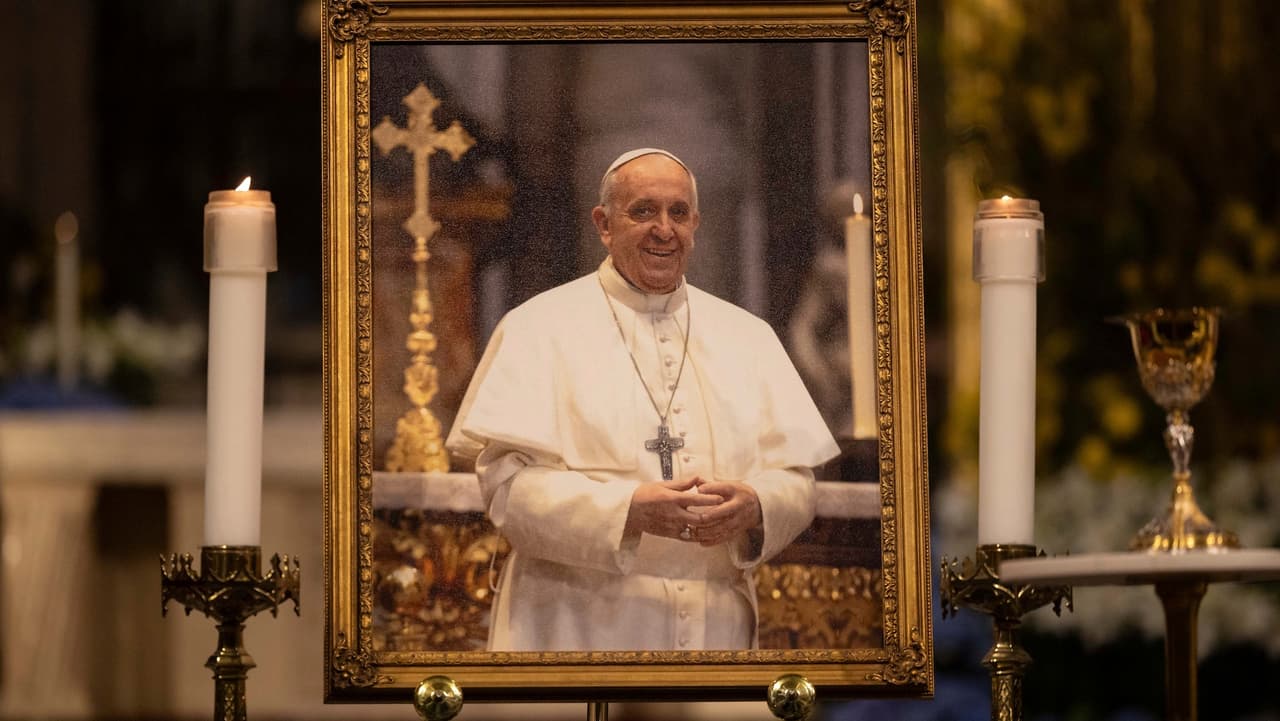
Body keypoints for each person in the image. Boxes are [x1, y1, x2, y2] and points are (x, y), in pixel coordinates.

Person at [446, 148, 838, 651]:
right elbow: (507, 490)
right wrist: (627, 510)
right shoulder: (537, 328)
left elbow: (797, 480)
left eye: (678, 213)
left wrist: (758, 505)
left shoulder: (749, 336)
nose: (663, 229)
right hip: (573, 622)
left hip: (714, 627)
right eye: (643, 211)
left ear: (695, 223)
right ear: (603, 224)